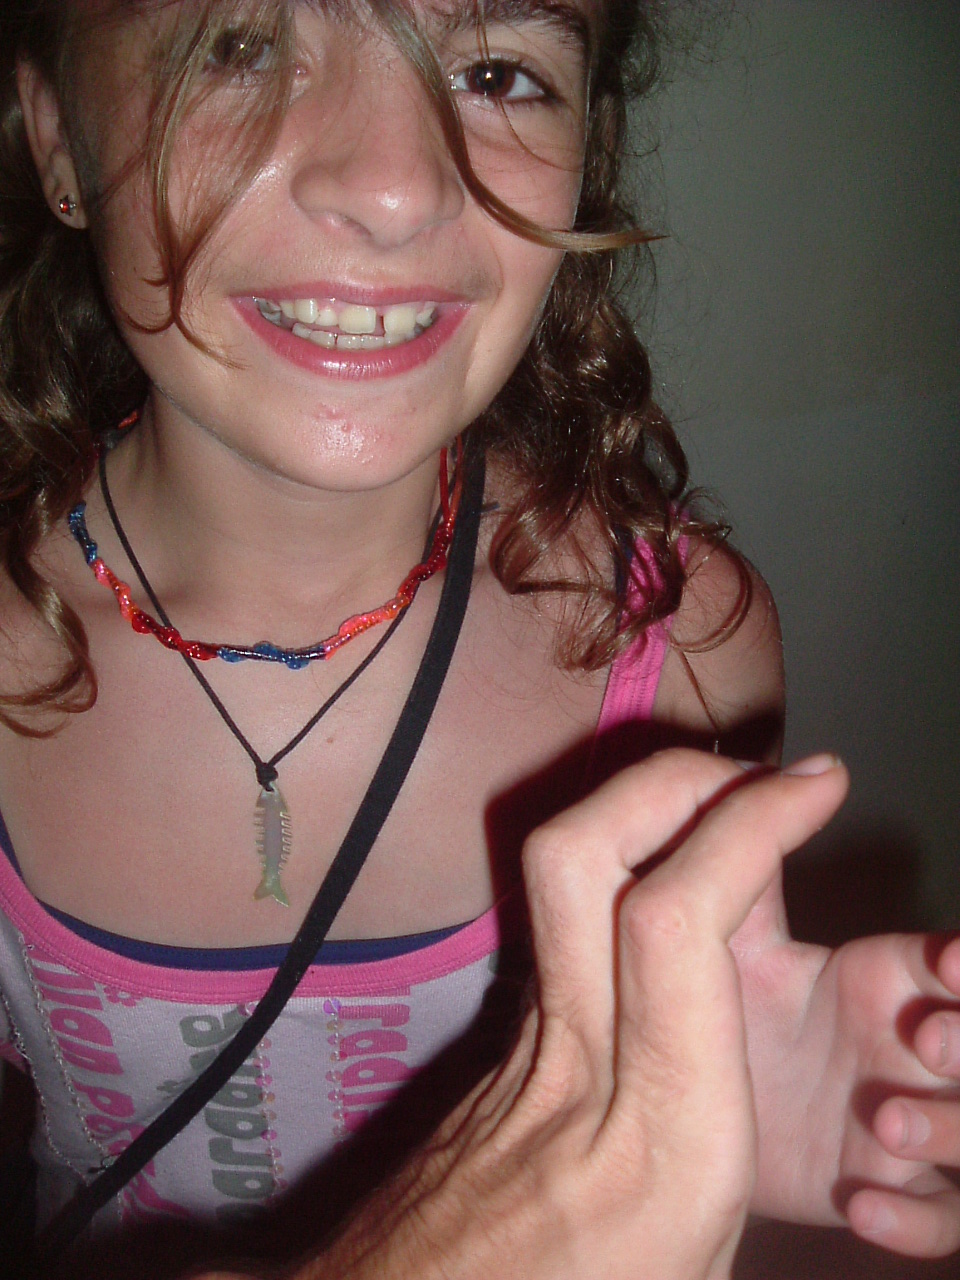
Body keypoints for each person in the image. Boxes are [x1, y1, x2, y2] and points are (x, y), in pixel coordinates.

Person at [0, 1, 956, 1275]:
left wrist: (707, 1117)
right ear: (56, 135)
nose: (398, 187)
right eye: (238, 43)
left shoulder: (678, 655)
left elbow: (636, 1114)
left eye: (498, 73)